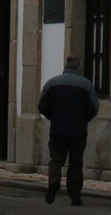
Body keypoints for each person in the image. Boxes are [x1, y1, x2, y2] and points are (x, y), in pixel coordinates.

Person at [36, 55, 100, 205]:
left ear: (65, 67)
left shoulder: (51, 83)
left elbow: (42, 106)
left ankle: (53, 183)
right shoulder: (86, 85)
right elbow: (94, 107)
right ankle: (75, 195)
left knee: (56, 159)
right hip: (78, 131)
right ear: (78, 67)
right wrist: (83, 119)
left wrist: (54, 117)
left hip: (57, 129)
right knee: (75, 162)